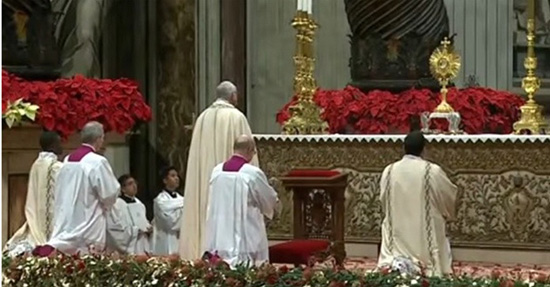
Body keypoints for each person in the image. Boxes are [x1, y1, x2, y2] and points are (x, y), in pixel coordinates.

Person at [179, 81, 258, 260]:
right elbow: (248, 152)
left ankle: (198, 250)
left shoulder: (202, 117)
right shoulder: (237, 117)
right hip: (230, 185)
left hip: (209, 177)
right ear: (233, 96)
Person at [377, 131, 457, 276]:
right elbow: (447, 196)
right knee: (436, 218)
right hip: (424, 232)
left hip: (398, 229)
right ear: (424, 149)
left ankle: (396, 264)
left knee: (390, 221)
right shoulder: (432, 171)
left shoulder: (389, 170)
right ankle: (426, 265)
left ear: (403, 148)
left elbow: (384, 201)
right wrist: (448, 214)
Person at [45, 121, 120, 254]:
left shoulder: (68, 159)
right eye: (102, 138)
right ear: (98, 139)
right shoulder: (98, 161)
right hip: (89, 220)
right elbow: (109, 194)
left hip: (68, 218)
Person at [203, 135, 278, 267]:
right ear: (249, 149)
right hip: (245, 234)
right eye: (253, 152)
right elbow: (268, 198)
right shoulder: (252, 173)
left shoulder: (217, 171)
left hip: (220, 234)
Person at [5, 131, 63, 256]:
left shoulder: (36, 164)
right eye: (59, 143)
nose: (61, 146)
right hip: (51, 217)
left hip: (35, 214)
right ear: (52, 145)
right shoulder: (56, 167)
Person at [106, 175, 151, 255]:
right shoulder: (117, 204)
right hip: (129, 247)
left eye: (135, 183)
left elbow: (144, 221)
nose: (134, 186)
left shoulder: (140, 204)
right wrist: (135, 231)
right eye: (130, 184)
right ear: (123, 189)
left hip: (141, 244)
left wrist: (148, 228)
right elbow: (115, 228)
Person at [152, 166, 184, 255]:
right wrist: (181, 214)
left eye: (177, 176)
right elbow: (170, 222)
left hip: (181, 238)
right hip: (166, 239)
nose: (176, 178)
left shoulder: (183, 199)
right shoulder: (160, 200)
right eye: (173, 176)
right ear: (165, 180)